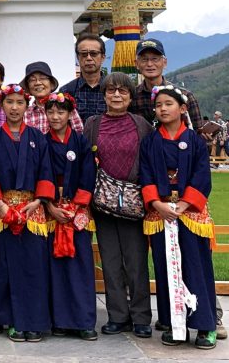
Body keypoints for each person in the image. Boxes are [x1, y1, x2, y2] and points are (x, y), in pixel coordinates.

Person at [140, 84, 217, 349]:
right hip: (160, 210)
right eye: (159, 104)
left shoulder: (195, 141)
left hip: (190, 211)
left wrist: (184, 204)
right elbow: (145, 173)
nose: (162, 108)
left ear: (182, 109)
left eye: (168, 104)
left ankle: (206, 326)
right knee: (166, 267)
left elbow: (202, 176)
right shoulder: (150, 141)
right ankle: (175, 323)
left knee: (196, 265)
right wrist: (156, 203)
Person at [0, 82, 54, 342]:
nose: (14, 108)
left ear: (27, 106)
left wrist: (38, 201)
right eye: (9, 103)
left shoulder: (37, 137)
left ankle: (34, 321)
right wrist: (0, 203)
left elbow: (45, 171)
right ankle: (11, 320)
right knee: (6, 265)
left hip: (32, 209)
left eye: (19, 103)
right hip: (3, 209)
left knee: (33, 266)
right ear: (1, 106)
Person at [83, 73, 153, 338]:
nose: (116, 95)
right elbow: (86, 160)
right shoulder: (93, 124)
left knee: (135, 262)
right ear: (103, 95)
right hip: (103, 202)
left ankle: (141, 316)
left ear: (130, 96)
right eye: (111, 90)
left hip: (134, 202)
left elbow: (149, 159)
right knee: (110, 262)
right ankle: (117, 315)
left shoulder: (141, 124)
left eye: (123, 91)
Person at [44, 92, 98, 341]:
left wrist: (77, 205)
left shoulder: (81, 142)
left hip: (77, 211)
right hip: (51, 210)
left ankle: (84, 321)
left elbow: (89, 173)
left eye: (61, 112)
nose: (55, 117)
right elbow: (39, 175)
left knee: (81, 264)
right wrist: (50, 205)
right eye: (51, 112)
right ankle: (61, 320)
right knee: (54, 266)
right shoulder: (41, 141)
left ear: (69, 114)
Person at [20, 61, 83, 133]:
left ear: (51, 84)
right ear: (28, 88)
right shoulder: (24, 113)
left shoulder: (66, 106)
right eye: (32, 80)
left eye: (42, 78)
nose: (37, 83)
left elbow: (79, 133)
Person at [58, 33, 108, 124]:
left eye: (94, 53)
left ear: (103, 57)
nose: (89, 58)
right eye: (84, 54)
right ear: (78, 57)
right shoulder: (66, 91)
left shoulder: (113, 89)